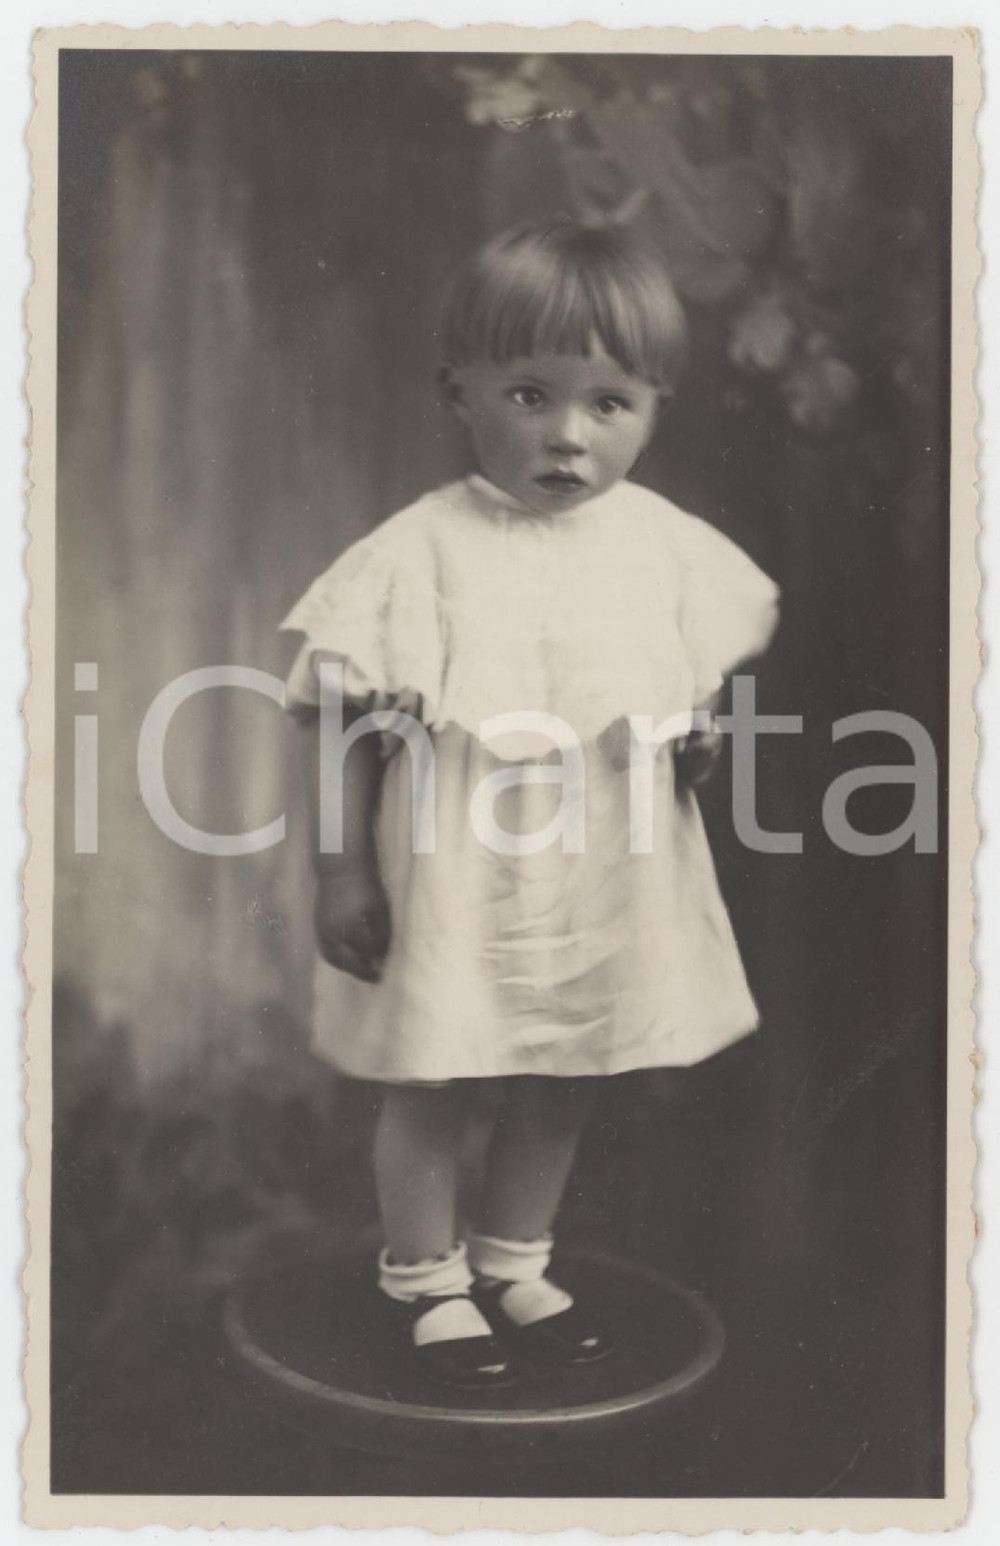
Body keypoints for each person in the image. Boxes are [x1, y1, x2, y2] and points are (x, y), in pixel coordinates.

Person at [280, 216, 779, 1390]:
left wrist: (691, 740)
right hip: (456, 865)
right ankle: (426, 1278)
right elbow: (343, 724)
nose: (567, 434)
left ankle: (514, 1262)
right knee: (436, 1074)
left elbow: (673, 694)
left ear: (653, 407)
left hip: (597, 866)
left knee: (564, 1070)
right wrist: (341, 869)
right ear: (458, 393)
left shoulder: (667, 549)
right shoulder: (418, 552)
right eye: (528, 394)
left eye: (609, 404)